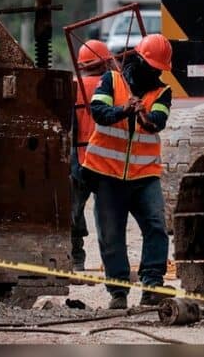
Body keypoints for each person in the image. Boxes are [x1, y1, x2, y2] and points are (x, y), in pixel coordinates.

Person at [81, 34, 173, 309]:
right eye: (153, 67)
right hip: (107, 173)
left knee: (157, 227)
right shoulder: (111, 81)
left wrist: (143, 115)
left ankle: (152, 286)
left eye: (160, 69)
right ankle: (118, 292)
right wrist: (124, 109)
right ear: (140, 60)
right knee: (111, 234)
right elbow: (99, 111)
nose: (156, 73)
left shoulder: (162, 92)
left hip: (144, 175)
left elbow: (158, 121)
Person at [70, 39, 115, 271]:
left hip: (79, 158)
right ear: (104, 61)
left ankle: (76, 259)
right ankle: (112, 264)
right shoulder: (114, 84)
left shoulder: (73, 86)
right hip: (106, 160)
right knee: (107, 214)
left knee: (74, 210)